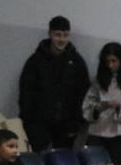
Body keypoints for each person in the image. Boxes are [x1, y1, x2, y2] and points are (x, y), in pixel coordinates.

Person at [18, 15, 91, 151]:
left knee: (63, 158)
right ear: (50, 34)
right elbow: (26, 91)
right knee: (39, 157)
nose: (62, 39)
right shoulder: (35, 61)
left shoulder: (77, 61)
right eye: (58, 35)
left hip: (67, 123)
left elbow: (84, 92)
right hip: (38, 123)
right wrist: (27, 119)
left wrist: (78, 121)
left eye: (65, 35)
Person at [82, 41, 121, 165]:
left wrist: (119, 106)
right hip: (98, 129)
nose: (110, 65)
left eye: (114, 61)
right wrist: (98, 107)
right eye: (107, 62)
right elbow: (89, 102)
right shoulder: (99, 78)